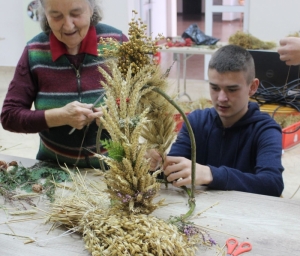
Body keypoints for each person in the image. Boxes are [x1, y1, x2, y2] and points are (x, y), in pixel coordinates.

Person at [1, 0, 127, 168]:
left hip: (115, 173)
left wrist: (117, 116)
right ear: (45, 14)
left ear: (92, 9)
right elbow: (10, 116)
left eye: (76, 14)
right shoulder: (35, 52)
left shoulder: (117, 43)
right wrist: (60, 116)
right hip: (54, 172)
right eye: (56, 16)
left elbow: (147, 102)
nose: (68, 26)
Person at [147, 44, 284, 197]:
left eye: (232, 89)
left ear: (252, 87)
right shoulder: (195, 121)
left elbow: (272, 184)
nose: (221, 98)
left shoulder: (266, 130)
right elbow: (173, 173)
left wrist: (212, 174)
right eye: (215, 88)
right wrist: (155, 166)